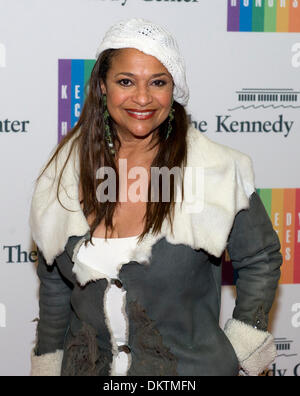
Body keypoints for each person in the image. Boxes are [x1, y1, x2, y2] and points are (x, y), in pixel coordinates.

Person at [29, 18, 282, 376]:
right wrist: (48, 362)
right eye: (126, 81)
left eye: (158, 82)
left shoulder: (215, 171)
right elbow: (54, 280)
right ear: (102, 86)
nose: (143, 98)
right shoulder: (64, 173)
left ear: (173, 90)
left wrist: (244, 344)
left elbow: (260, 257)